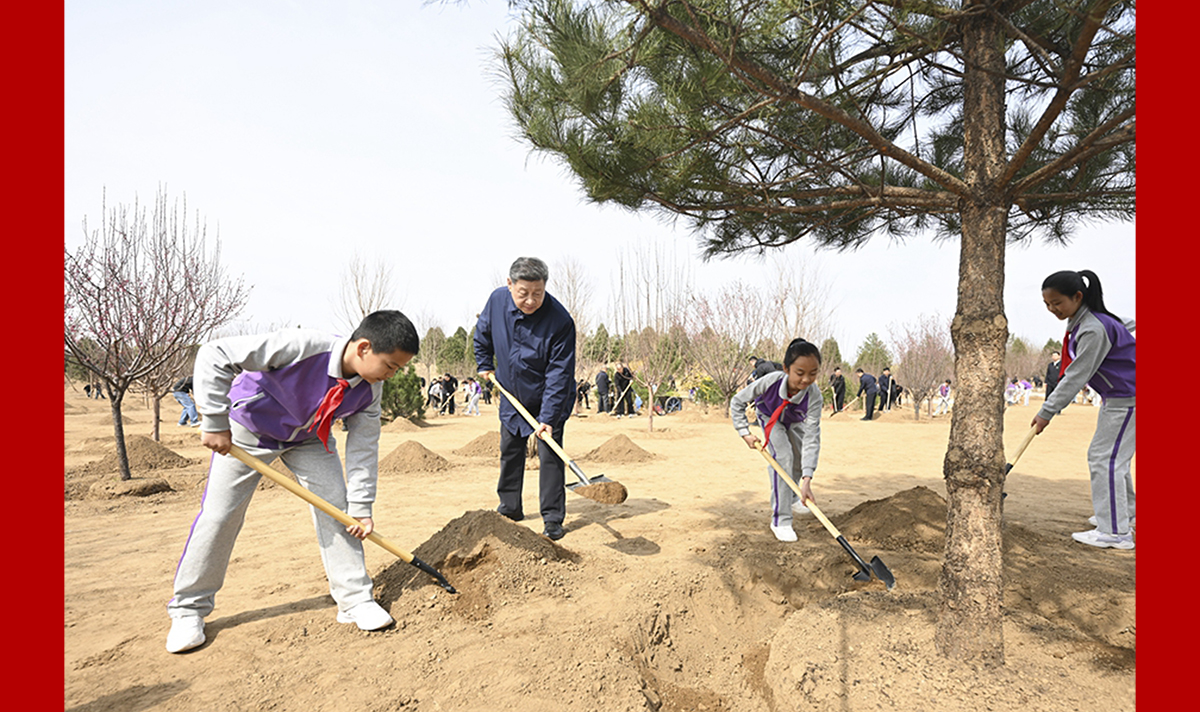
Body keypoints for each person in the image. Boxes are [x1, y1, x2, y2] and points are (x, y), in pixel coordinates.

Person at [165, 310, 419, 654]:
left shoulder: (370, 392)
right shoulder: (302, 346)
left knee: (338, 511)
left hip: (309, 439)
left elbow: (363, 450)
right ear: (363, 348)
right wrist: (213, 420)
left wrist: (360, 508)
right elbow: (215, 353)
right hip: (249, 429)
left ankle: (355, 601)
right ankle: (188, 611)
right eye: (390, 365)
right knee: (220, 515)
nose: (391, 375)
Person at [474, 256, 577, 541]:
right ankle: (509, 508)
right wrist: (484, 363)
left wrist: (548, 418)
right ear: (509, 285)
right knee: (510, 450)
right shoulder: (496, 301)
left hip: (549, 396)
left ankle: (553, 518)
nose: (530, 300)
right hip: (511, 393)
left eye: (538, 293)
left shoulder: (560, 320)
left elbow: (560, 373)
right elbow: (482, 333)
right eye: (523, 293)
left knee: (551, 456)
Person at [1031, 270, 1135, 550]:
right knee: (1112, 457)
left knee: (1105, 459)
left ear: (1078, 297)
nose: (1052, 309)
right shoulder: (1087, 321)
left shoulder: (1092, 327)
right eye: (1047, 304)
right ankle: (1125, 515)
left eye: (1057, 303)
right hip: (1117, 398)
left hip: (1129, 398)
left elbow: (1076, 375)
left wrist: (1046, 412)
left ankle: (1115, 532)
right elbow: (1131, 324)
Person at [730, 339, 824, 542]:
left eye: (813, 373)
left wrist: (807, 480)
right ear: (786, 369)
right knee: (783, 458)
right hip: (770, 417)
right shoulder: (770, 381)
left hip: (795, 421)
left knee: (798, 459)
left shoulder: (814, 395)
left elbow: (812, 437)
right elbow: (737, 401)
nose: (806, 380)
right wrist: (744, 432)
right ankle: (781, 520)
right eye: (800, 373)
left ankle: (791, 496)